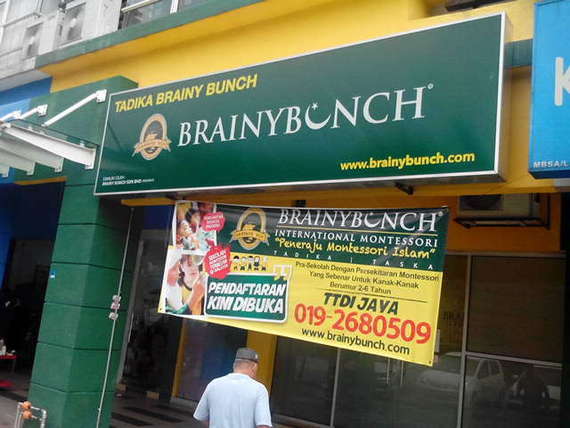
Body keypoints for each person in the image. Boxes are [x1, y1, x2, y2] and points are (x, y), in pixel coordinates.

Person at [194, 348, 272, 428]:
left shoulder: (213, 384)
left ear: (234, 365)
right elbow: (263, 426)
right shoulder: (259, 389)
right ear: (254, 367)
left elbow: (201, 417)